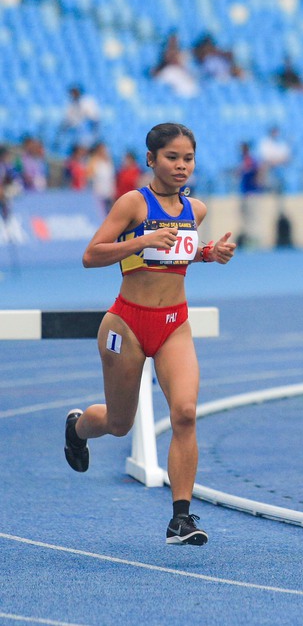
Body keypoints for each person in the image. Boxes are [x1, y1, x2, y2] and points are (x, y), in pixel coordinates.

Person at [63, 122, 236, 546]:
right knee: (120, 424)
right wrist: (139, 241)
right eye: (172, 158)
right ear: (151, 160)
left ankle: (181, 518)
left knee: (186, 412)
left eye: (188, 158)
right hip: (126, 324)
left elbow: (178, 255)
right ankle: (78, 428)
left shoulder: (196, 210)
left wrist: (208, 253)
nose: (181, 166)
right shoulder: (132, 204)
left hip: (174, 323)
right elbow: (91, 255)